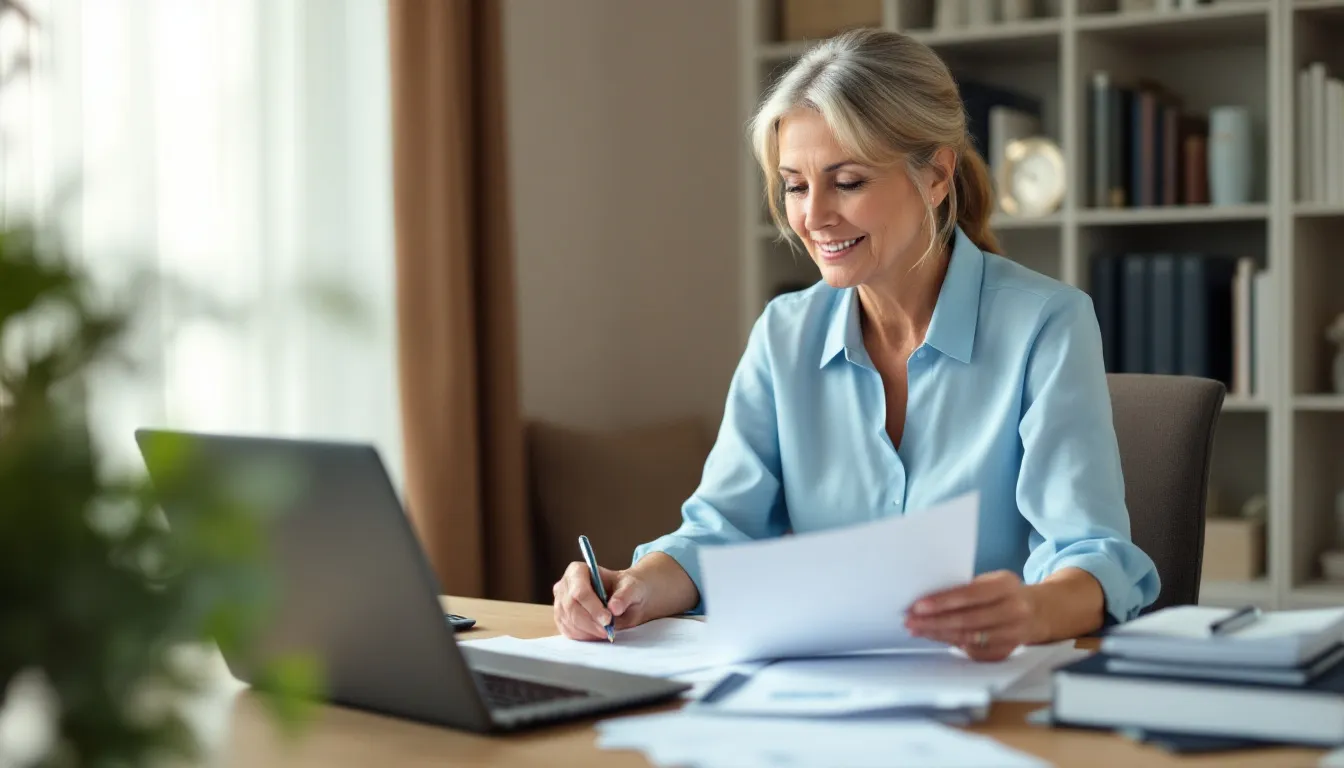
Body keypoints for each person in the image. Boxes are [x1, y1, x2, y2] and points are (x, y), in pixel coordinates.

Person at [551, 28, 1159, 661]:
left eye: (847, 182)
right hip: (823, 701)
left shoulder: (1046, 325)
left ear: (936, 176)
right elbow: (720, 532)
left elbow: (1091, 556)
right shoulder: (784, 334)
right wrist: (633, 589)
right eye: (794, 185)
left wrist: (1028, 610)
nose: (814, 216)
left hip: (991, 696)